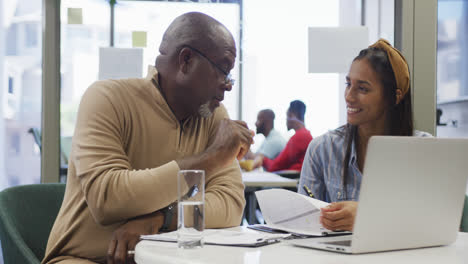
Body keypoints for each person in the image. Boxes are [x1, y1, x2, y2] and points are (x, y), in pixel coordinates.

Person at [43, 12, 254, 264]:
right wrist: (210, 159)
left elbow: (230, 205)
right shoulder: (107, 98)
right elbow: (108, 198)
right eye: (223, 70)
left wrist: (162, 218)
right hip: (85, 259)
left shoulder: (213, 115)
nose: (228, 85)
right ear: (186, 60)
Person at [298, 39, 431, 232]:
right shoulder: (322, 148)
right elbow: (302, 223)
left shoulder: (424, 150)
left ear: (395, 96)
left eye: (362, 88)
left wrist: (368, 216)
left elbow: (432, 221)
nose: (349, 96)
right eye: (348, 84)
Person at [253, 100, 313, 172]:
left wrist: (263, 159)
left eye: (287, 116)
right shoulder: (306, 135)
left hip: (293, 180)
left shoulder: (300, 136)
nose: (286, 120)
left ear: (291, 115)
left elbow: (275, 166)